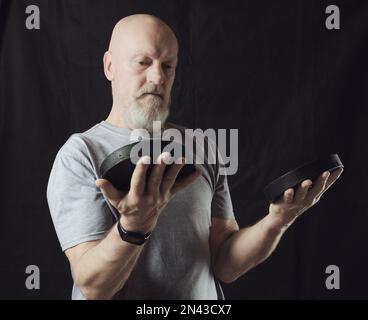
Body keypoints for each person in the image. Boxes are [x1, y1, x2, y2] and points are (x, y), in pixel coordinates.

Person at [46, 14, 343, 300]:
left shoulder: (200, 146)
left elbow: (225, 263)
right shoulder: (80, 154)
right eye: (143, 62)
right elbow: (94, 287)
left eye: (168, 66)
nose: (157, 77)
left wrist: (277, 221)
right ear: (110, 66)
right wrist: (134, 226)